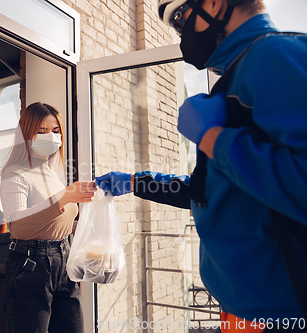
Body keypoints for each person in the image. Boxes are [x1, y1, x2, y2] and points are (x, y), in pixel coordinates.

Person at [95, 0, 307, 332]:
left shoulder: (273, 57)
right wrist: (136, 182)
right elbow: (213, 190)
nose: (181, 35)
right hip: (246, 309)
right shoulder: (238, 73)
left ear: (214, 3)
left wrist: (212, 138)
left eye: (180, 19)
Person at [0, 102, 96, 333]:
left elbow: (51, 222)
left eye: (55, 131)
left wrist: (83, 225)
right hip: (31, 265)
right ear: (26, 134)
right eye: (42, 131)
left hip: (62, 258)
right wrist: (64, 197)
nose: (51, 137)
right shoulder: (15, 172)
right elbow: (18, 227)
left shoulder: (50, 172)